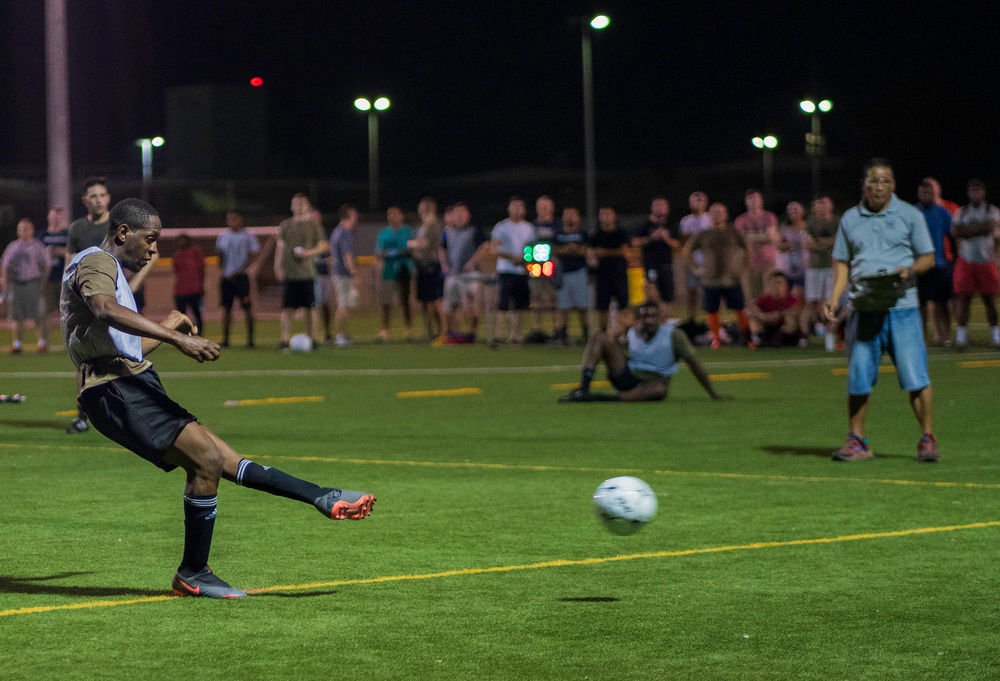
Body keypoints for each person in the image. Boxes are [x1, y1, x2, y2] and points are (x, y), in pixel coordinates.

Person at [60, 198, 375, 598]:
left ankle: (319, 496)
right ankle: (193, 572)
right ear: (123, 233)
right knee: (206, 460)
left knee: (223, 459)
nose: (155, 250)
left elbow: (120, 347)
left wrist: (168, 325)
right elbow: (104, 310)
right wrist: (174, 336)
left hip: (130, 382)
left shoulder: (109, 268)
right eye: (151, 240)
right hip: (112, 390)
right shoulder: (95, 262)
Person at [824, 158, 938, 463]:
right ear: (863, 184)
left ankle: (927, 439)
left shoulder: (909, 215)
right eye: (873, 181)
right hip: (864, 308)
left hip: (902, 307)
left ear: (894, 185)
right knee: (859, 378)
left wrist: (909, 271)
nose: (879, 187)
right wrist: (835, 297)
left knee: (916, 377)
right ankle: (857, 441)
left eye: (885, 181)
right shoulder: (850, 218)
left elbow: (928, 256)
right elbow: (842, 261)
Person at [558, 301, 728, 402]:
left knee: (659, 390)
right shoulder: (632, 332)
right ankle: (584, 389)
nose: (649, 321)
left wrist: (713, 394)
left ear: (660, 319)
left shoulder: (674, 336)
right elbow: (615, 346)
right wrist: (616, 335)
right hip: (628, 374)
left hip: (653, 381)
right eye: (644, 317)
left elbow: (694, 365)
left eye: (653, 317)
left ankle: (599, 399)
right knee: (600, 338)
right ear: (638, 319)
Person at [682, 202, 752, 348]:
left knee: (740, 308)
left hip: (730, 279)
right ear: (710, 215)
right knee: (712, 310)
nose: (717, 214)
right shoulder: (703, 234)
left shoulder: (733, 232)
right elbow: (687, 251)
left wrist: (741, 267)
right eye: (714, 212)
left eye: (720, 212)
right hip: (710, 280)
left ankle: (747, 338)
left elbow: (746, 249)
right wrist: (696, 268)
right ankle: (716, 339)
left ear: (726, 214)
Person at [951, 179, 1000, 349]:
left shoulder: (992, 210)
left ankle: (996, 337)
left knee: (990, 300)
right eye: (972, 190)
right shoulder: (962, 211)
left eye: (978, 190)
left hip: (986, 260)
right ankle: (961, 338)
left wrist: (969, 232)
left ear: (983, 192)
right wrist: (981, 229)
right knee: (964, 299)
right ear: (968, 192)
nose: (975, 193)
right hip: (967, 259)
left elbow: (992, 227)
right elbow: (956, 231)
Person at [275, 193, 327, 349]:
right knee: (287, 308)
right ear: (291, 207)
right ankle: (284, 340)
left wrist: (307, 253)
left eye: (301, 203)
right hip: (290, 273)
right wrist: (277, 266)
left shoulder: (314, 225)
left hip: (307, 273)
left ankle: (312, 338)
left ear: (307, 206)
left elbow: (322, 245)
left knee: (310, 308)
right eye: (295, 203)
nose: (298, 206)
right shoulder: (285, 225)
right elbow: (280, 246)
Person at [914, 180, 954, 346]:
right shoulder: (914, 213)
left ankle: (947, 335)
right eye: (923, 193)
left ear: (934, 193)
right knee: (922, 304)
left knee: (942, 302)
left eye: (928, 192)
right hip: (921, 265)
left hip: (939, 264)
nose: (925, 196)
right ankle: (923, 336)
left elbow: (951, 236)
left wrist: (954, 259)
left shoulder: (942, 212)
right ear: (919, 194)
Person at [1, 219, 50, 354]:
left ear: (32, 230)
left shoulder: (38, 246)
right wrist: (5, 281)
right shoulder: (13, 246)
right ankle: (17, 344)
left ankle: (42, 343)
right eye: (21, 229)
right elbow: (5, 265)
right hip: (16, 284)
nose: (23, 231)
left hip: (33, 283)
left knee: (38, 314)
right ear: (18, 231)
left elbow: (47, 264)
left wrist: (42, 281)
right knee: (17, 316)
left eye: (26, 228)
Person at [440, 202, 487, 341]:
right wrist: (444, 265)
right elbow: (441, 248)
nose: (459, 216)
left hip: (471, 275)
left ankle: (472, 332)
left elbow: (484, 246)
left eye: (462, 212)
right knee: (450, 304)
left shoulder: (474, 230)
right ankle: (452, 332)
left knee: (471, 303)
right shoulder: (447, 232)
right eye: (456, 213)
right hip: (453, 273)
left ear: (468, 215)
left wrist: (473, 262)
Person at [490, 197, 534, 344]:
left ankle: (515, 335)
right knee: (503, 304)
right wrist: (511, 257)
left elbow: (531, 249)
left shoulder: (529, 228)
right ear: (509, 208)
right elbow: (494, 249)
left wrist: (524, 260)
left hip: (521, 271)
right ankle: (497, 335)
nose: (517, 209)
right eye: (514, 206)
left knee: (519, 305)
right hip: (506, 270)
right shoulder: (501, 227)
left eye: (520, 206)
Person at [215, 212, 260, 348]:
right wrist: (223, 271)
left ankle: (251, 340)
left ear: (241, 219)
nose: (232, 221)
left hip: (241, 278)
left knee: (247, 308)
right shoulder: (223, 236)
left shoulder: (248, 235)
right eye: (229, 219)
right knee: (227, 308)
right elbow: (220, 255)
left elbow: (253, 254)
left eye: (235, 218)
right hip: (227, 278)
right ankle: (226, 339)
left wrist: (240, 270)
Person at [632, 196, 681, 319]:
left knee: (668, 297)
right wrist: (651, 238)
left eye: (663, 206)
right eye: (657, 205)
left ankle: (667, 322)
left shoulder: (671, 225)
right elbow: (635, 242)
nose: (660, 208)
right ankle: (653, 319)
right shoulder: (645, 225)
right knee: (651, 294)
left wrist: (666, 238)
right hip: (651, 265)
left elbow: (677, 244)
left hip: (666, 265)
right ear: (652, 208)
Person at [805, 193, 840, 350]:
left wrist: (819, 243)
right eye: (819, 204)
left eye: (824, 203)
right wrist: (827, 242)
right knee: (813, 303)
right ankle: (808, 336)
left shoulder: (838, 221)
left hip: (832, 266)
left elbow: (838, 241)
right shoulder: (810, 222)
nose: (822, 207)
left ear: (831, 205)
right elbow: (808, 244)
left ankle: (829, 337)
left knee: (830, 302)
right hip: (814, 268)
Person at [375, 206, 415, 341]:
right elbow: (379, 253)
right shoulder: (383, 234)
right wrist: (393, 253)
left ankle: (409, 329)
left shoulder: (408, 232)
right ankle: (385, 329)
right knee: (386, 301)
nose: (392, 217)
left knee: (405, 301)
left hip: (404, 270)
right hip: (389, 271)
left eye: (395, 214)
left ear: (401, 216)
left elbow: (413, 250)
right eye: (389, 214)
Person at [552, 206, 591, 344]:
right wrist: (568, 249)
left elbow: (583, 251)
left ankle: (586, 334)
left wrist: (569, 250)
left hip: (579, 272)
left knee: (583, 306)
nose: (569, 217)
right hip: (563, 273)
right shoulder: (557, 234)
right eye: (566, 214)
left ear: (578, 217)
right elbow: (554, 251)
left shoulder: (583, 234)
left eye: (572, 214)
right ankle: (562, 335)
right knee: (563, 307)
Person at [588, 206, 631, 332]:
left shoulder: (620, 233)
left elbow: (624, 252)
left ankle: (625, 331)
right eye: (602, 214)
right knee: (602, 306)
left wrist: (604, 252)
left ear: (614, 216)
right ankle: (603, 332)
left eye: (608, 214)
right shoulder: (595, 234)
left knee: (623, 304)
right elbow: (591, 252)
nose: (605, 217)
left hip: (619, 273)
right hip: (602, 275)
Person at [734, 189, 779, 300]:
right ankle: (752, 317)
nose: (753, 201)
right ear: (746, 202)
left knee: (767, 295)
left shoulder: (769, 216)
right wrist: (763, 236)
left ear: (761, 200)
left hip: (767, 261)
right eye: (750, 198)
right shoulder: (741, 220)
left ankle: (766, 317)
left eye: (756, 198)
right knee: (750, 296)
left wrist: (750, 235)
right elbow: (741, 239)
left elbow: (771, 236)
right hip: (748, 262)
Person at [527, 195, 560, 343]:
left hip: (552, 266)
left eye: (546, 206)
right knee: (536, 298)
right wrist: (528, 262)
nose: (543, 209)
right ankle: (536, 329)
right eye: (540, 206)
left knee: (553, 298)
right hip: (535, 266)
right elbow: (527, 246)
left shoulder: (557, 225)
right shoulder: (531, 226)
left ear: (552, 208)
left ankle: (556, 329)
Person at [411, 197, 445, 341]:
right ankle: (430, 331)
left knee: (433, 300)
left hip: (431, 265)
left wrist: (410, 244)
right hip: (421, 266)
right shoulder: (422, 226)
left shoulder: (434, 225)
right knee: (425, 301)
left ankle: (441, 331)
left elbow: (425, 244)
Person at [329, 204, 359, 346]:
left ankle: (342, 335)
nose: (356, 219)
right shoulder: (344, 232)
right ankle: (340, 336)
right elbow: (347, 255)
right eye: (354, 216)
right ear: (348, 216)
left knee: (345, 304)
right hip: (342, 274)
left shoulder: (337, 231)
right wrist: (353, 273)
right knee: (343, 305)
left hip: (337, 272)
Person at [678, 191, 711, 323]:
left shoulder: (710, 218)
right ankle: (691, 318)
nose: (698, 203)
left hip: (708, 261)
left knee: (709, 291)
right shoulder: (686, 220)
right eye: (695, 200)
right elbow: (684, 241)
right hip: (692, 260)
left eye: (700, 200)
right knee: (692, 291)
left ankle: (709, 318)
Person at [748, 271, 803, 347]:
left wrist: (779, 314)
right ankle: (760, 340)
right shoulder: (764, 300)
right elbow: (753, 310)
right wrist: (764, 316)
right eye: (774, 283)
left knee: (790, 320)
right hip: (768, 327)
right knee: (754, 320)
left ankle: (784, 340)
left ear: (785, 285)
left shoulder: (792, 300)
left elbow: (796, 310)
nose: (776, 286)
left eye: (779, 283)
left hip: (783, 328)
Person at [40, 206, 69, 348]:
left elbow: (74, 252)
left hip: (64, 278)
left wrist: (57, 251)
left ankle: (68, 342)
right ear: (48, 217)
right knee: (45, 312)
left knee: (66, 312)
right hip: (47, 279)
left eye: (59, 216)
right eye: (53, 216)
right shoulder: (42, 235)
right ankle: (44, 342)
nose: (56, 219)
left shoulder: (67, 234)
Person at [67, 176, 111, 260]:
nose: (98, 200)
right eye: (93, 196)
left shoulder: (119, 224)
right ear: (85, 200)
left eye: (102, 195)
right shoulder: (76, 228)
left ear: (108, 198)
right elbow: (69, 264)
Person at [171, 234, 205, 338]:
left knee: (197, 314)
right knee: (181, 316)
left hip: (195, 290)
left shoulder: (196, 253)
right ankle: (182, 336)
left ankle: (199, 335)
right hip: (181, 291)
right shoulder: (176, 255)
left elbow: (202, 270)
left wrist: (202, 286)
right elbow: (176, 270)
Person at [309, 208, 333, 343]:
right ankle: (313, 334)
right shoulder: (307, 234)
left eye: (317, 217)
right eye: (312, 217)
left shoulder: (324, 232)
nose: (315, 220)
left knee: (325, 304)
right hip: (313, 274)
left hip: (324, 273)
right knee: (314, 305)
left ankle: (327, 332)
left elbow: (329, 248)